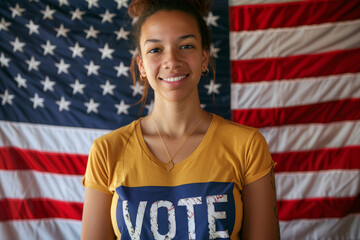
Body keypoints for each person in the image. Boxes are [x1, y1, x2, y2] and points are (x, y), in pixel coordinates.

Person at [81, 0, 280, 239]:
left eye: (186, 46)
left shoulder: (247, 145)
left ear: (204, 58)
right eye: (156, 49)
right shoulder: (107, 151)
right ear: (142, 65)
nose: (172, 61)